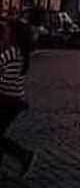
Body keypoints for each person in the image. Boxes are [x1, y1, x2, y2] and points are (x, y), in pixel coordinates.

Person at [0, 19, 35, 177]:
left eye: (6, 31)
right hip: (13, 101)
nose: (4, 34)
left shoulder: (11, 52)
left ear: (13, 35)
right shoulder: (21, 52)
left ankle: (24, 155)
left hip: (6, 101)